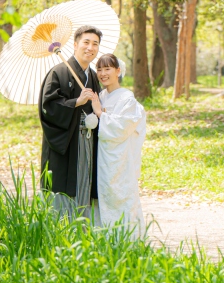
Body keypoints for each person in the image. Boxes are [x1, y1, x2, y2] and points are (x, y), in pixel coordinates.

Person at [39, 25, 102, 219]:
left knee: (84, 182)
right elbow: (47, 107)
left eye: (95, 44)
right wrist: (76, 102)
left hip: (87, 141)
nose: (90, 47)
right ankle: (61, 231)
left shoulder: (92, 76)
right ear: (75, 45)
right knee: (63, 188)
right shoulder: (58, 73)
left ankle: (83, 229)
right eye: (86, 42)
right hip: (66, 141)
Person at [90, 53, 146, 236]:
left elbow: (122, 128)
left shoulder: (126, 99)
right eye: (99, 69)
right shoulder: (100, 95)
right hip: (102, 156)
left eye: (107, 69)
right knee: (103, 196)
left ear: (118, 71)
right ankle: (105, 238)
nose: (103, 73)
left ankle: (127, 239)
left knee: (120, 194)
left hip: (119, 158)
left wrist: (101, 115)